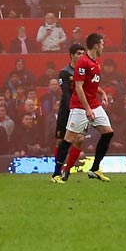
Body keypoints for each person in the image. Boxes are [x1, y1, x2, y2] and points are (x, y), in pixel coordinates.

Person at [55, 32, 113, 183]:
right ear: (96, 46)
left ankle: (94, 169)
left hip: (94, 104)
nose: (103, 47)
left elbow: (90, 85)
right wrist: (87, 109)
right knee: (68, 139)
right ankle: (56, 174)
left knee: (108, 133)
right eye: (102, 44)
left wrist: (102, 92)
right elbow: (78, 87)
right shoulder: (83, 62)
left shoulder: (95, 62)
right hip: (80, 107)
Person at [49, 42, 79, 177]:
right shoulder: (64, 72)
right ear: (72, 55)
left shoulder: (85, 71)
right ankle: (58, 170)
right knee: (60, 140)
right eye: (78, 53)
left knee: (79, 139)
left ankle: (67, 170)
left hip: (80, 110)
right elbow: (66, 92)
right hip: (66, 110)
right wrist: (71, 107)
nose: (81, 56)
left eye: (83, 54)